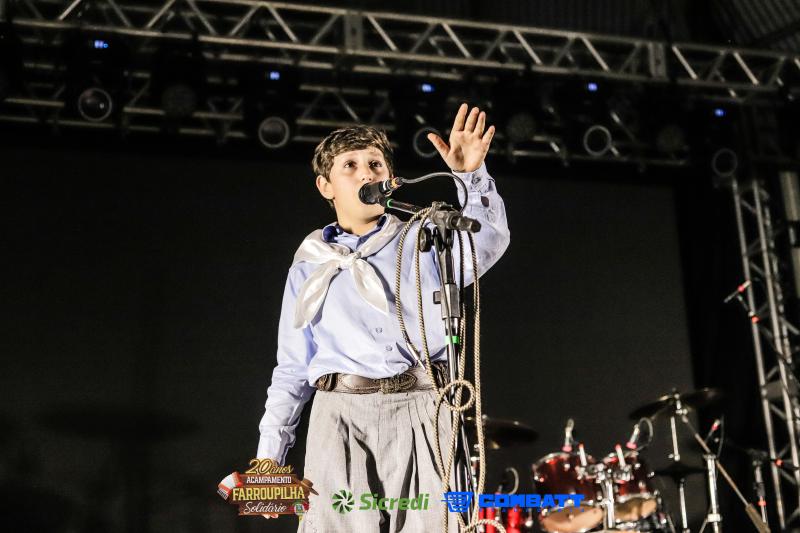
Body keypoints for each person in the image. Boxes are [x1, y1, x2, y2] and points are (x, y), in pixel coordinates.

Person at [256, 103, 510, 532]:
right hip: (339, 415)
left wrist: (470, 177)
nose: (366, 174)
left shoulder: (424, 240)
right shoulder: (309, 264)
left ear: (390, 179)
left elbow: (486, 244)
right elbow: (293, 368)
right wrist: (269, 457)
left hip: (422, 407)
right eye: (350, 166)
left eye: (375, 164)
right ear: (325, 186)